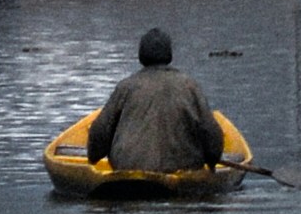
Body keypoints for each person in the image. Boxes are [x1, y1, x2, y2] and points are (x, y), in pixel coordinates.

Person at [84, 26, 226, 175]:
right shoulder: (190, 87)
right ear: (169, 54)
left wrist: (93, 157)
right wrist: (212, 161)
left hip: (128, 169)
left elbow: (100, 132)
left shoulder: (126, 87)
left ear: (141, 55)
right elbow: (211, 133)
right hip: (181, 168)